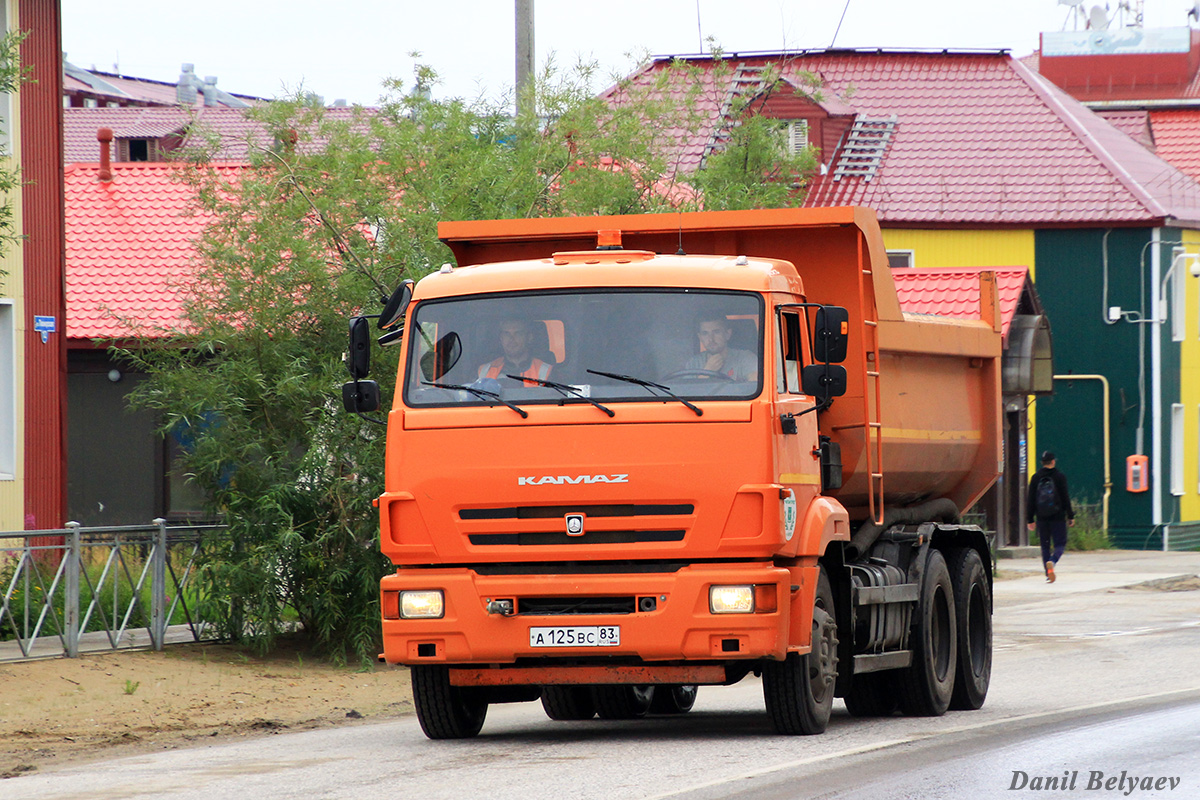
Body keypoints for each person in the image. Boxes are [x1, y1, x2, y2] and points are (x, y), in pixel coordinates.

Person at [1027, 450, 1075, 583]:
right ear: (1053, 461)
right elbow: (1065, 497)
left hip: (1041, 517)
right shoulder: (1059, 477)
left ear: (1042, 463)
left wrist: (1030, 519)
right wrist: (1070, 515)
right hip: (1057, 516)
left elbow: (1030, 499)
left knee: (1045, 545)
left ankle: (1048, 573)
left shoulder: (1036, 477)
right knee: (1060, 544)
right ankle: (1052, 562)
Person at [683, 314, 758, 381]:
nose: (711, 339)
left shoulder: (745, 358)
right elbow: (686, 393)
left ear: (727, 334)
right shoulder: (693, 363)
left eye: (716, 332)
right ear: (700, 337)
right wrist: (707, 371)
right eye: (705, 333)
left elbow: (754, 385)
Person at [477, 319, 553, 384]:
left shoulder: (546, 371)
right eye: (506, 333)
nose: (511, 339)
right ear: (501, 338)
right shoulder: (484, 371)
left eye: (518, 333)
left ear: (529, 338)